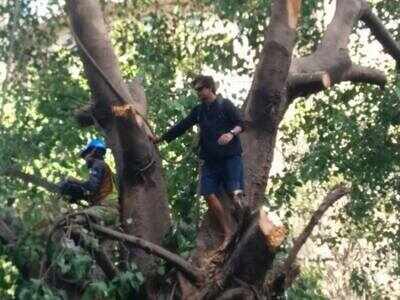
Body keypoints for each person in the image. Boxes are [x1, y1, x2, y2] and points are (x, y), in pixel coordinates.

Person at [154, 75, 245, 247]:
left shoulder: (225, 105)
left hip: (230, 157)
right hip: (210, 161)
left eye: (201, 88)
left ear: (210, 88)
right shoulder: (199, 111)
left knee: (236, 194)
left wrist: (231, 134)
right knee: (208, 194)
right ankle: (227, 232)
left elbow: (242, 123)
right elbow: (182, 126)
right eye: (196, 89)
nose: (198, 92)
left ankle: (244, 227)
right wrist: (161, 139)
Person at [58, 138, 114, 206]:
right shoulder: (99, 165)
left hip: (106, 204)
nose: (85, 159)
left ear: (93, 152)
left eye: (85, 155)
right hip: (102, 203)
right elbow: (92, 189)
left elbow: (92, 187)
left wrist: (76, 181)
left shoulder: (98, 165)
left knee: (81, 216)